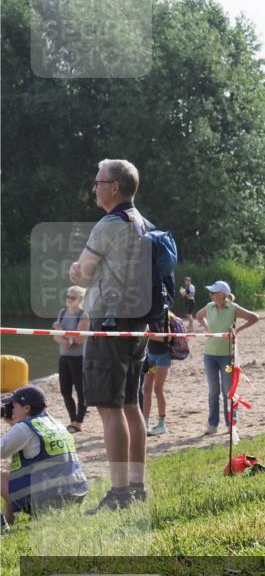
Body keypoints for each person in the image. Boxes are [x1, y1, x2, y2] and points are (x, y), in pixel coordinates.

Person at [69, 158, 151, 512]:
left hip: (109, 325)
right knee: (132, 405)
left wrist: (77, 269)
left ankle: (118, 494)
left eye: (98, 181)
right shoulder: (143, 223)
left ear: (114, 187)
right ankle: (136, 487)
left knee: (108, 407)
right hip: (138, 326)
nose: (94, 187)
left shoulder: (108, 225)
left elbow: (81, 276)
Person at [1, 386, 88, 526]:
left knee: (2, 476)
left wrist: (15, 425)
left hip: (51, 501)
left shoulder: (23, 428)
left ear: (26, 408)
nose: (11, 409)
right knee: (11, 466)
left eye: (14, 405)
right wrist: (15, 424)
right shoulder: (56, 423)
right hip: (77, 493)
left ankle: (7, 521)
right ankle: (7, 520)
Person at [195, 280, 259, 441]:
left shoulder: (233, 308)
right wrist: (207, 327)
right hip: (209, 354)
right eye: (211, 292)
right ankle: (212, 425)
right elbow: (198, 315)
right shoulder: (210, 306)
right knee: (213, 391)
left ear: (223, 294)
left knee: (228, 391)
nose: (211, 294)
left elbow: (254, 317)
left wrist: (238, 330)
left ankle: (231, 423)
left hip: (227, 356)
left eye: (214, 292)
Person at [52, 286, 89, 433]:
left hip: (79, 358)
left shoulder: (84, 315)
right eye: (67, 296)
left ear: (80, 300)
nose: (68, 299)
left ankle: (78, 422)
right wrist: (66, 340)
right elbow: (56, 336)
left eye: (72, 297)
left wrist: (62, 332)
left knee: (81, 391)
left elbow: (79, 340)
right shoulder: (62, 312)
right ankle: (72, 419)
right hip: (64, 357)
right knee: (65, 391)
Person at [141, 311, 182, 437]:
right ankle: (145, 422)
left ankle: (162, 424)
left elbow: (167, 338)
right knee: (146, 388)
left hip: (163, 357)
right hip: (151, 356)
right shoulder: (148, 315)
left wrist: (148, 335)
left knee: (158, 389)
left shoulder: (164, 316)